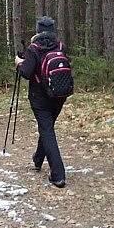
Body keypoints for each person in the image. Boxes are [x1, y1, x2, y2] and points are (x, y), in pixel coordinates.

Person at [15, 16, 70, 188]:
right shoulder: (60, 45)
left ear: (38, 30)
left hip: (40, 98)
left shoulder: (34, 48)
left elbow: (26, 73)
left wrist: (18, 63)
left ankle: (58, 174)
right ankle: (38, 159)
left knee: (46, 130)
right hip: (60, 94)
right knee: (47, 128)